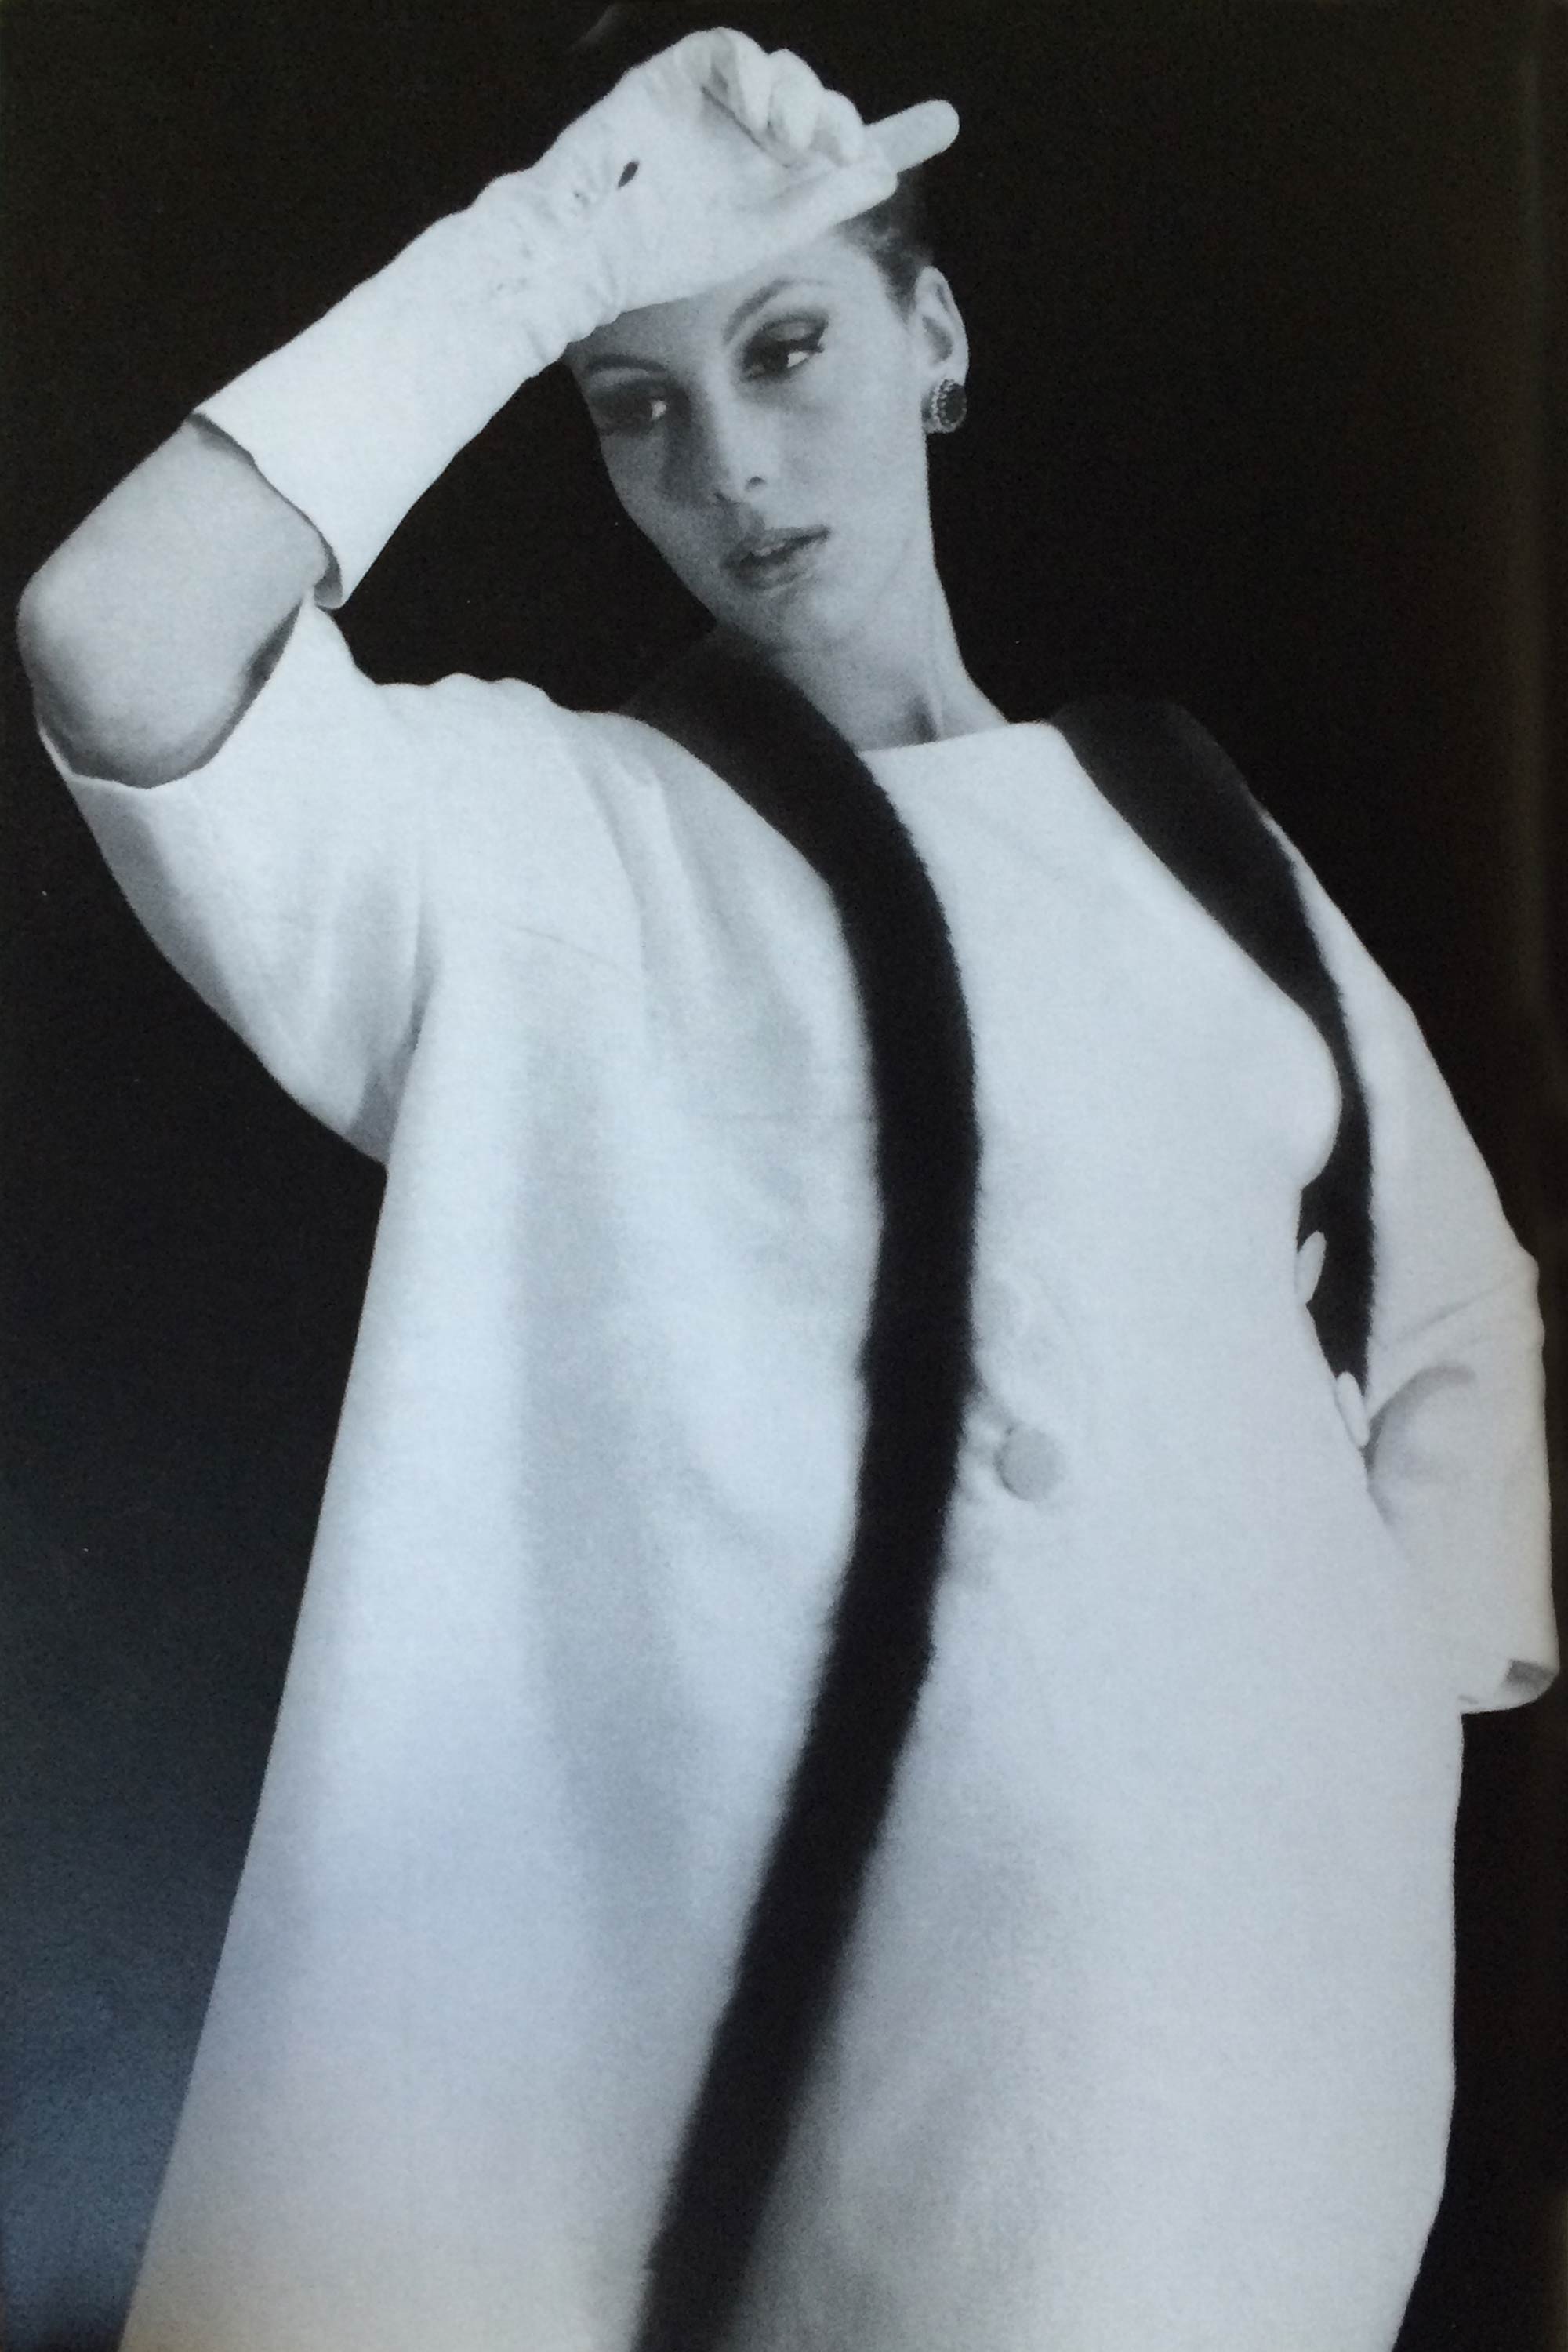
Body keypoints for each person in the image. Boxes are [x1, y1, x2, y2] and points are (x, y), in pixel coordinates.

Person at [16, 24, 1557, 2352]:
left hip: (1277, 2026)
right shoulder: (554, 846)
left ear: (935, 342)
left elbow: (1455, 1321)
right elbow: (113, 642)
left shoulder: (1197, 834)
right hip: (869, 2050)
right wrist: (541, 253)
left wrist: (1341, 1716)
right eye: (633, 401)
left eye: (789, 346)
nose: (727, 464)